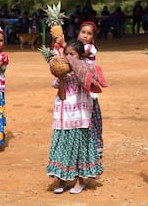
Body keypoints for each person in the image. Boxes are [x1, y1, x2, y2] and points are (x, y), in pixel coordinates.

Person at [46, 40, 103, 195]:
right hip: (64, 119)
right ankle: (62, 180)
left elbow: (90, 84)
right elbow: (62, 96)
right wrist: (61, 76)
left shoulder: (83, 71)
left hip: (79, 118)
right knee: (62, 148)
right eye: (66, 54)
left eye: (72, 54)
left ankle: (80, 181)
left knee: (79, 150)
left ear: (80, 56)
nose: (68, 57)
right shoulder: (61, 76)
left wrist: (77, 68)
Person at [56, 21, 104, 158]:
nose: (85, 36)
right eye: (83, 32)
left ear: (93, 37)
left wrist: (65, 44)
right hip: (76, 91)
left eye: (89, 34)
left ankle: (96, 149)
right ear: (78, 33)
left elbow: (82, 52)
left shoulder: (91, 48)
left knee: (92, 122)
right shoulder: (73, 49)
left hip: (89, 92)